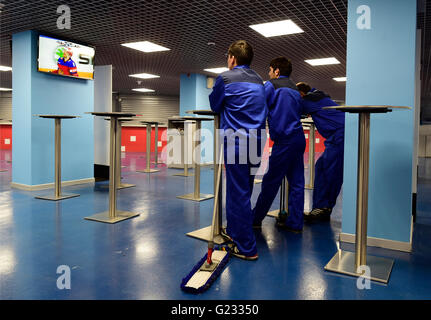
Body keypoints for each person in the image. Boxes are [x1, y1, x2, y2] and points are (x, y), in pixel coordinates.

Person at [209, 40, 267, 260]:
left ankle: (246, 247)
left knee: (237, 193)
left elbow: (215, 105)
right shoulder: (260, 81)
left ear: (232, 58)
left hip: (237, 142)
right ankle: (235, 232)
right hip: (257, 140)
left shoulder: (225, 78)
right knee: (244, 190)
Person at [252, 57, 306, 233]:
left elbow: (258, 105)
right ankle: (295, 223)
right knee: (297, 183)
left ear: (276, 71)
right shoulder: (295, 89)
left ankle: (255, 219)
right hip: (298, 139)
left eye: (270, 70)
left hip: (284, 141)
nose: (268, 73)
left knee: (271, 181)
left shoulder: (272, 85)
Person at [296, 82, 345, 222]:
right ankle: (320, 207)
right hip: (336, 136)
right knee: (321, 166)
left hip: (340, 136)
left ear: (301, 94)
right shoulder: (319, 97)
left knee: (332, 172)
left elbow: (293, 109)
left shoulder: (310, 99)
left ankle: (325, 208)